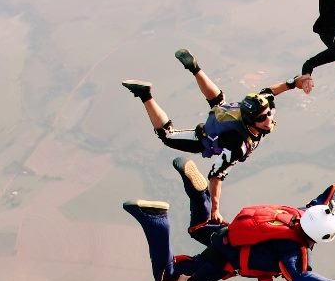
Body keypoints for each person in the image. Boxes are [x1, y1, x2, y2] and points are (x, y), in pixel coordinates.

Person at [122, 157, 335, 281]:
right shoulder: (294, 250)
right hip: (221, 262)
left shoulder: (305, 211)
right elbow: (302, 280)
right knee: (167, 280)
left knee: (199, 226)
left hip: (227, 235)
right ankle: (156, 221)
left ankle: (201, 193)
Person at [121, 48, 307, 204]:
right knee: (167, 136)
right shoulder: (237, 146)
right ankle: (145, 95)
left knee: (218, 102)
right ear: (250, 121)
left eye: (267, 114)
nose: (268, 119)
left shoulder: (263, 105)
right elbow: (216, 175)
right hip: (205, 137)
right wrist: (215, 208)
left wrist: (293, 83)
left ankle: (194, 67)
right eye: (261, 119)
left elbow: (270, 91)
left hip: (226, 113)